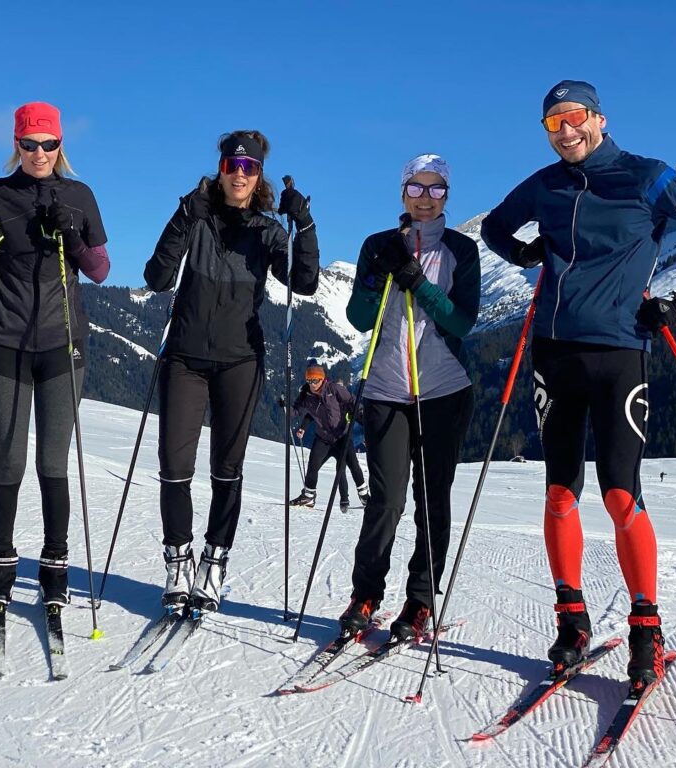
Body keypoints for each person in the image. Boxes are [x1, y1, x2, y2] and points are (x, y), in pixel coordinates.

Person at [482, 80, 676, 684]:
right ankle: (572, 619)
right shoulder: (545, 184)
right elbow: (494, 227)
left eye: (573, 117)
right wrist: (524, 255)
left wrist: (669, 296)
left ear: (598, 117)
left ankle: (647, 626)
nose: (565, 131)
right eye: (552, 124)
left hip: (620, 350)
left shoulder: (646, 175)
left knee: (621, 494)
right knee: (560, 493)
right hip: (554, 352)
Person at [143, 130, 319, 612]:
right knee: (175, 468)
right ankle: (178, 561)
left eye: (249, 167)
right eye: (232, 165)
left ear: (258, 175)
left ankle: (214, 562)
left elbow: (304, 282)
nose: (239, 174)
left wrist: (304, 227)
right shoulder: (194, 217)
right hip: (184, 357)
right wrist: (183, 217)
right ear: (220, 168)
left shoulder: (266, 230)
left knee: (227, 469)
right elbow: (156, 278)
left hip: (241, 361)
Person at [0, 102, 110, 609]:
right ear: (16, 145)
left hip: (64, 345)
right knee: (10, 462)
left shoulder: (79, 194)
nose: (39, 153)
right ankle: (0, 561)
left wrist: (71, 233)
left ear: (60, 145)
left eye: (48, 144)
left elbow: (100, 270)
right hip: (5, 344)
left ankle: (54, 565)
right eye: (29, 144)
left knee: (52, 462)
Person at [341, 154, 480, 641]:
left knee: (431, 500)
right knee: (385, 500)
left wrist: (418, 283)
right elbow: (359, 319)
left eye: (436, 189)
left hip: (443, 390)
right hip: (385, 390)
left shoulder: (462, 249)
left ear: (447, 194)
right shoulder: (376, 245)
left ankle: (420, 600)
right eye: (416, 188)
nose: (425, 198)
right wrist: (378, 278)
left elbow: (463, 322)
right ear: (402, 193)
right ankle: (365, 595)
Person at [288, 362, 369, 513]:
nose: (312, 384)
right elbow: (296, 412)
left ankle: (365, 497)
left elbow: (352, 401)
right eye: (309, 380)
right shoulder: (306, 394)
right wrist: (286, 407)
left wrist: (360, 416)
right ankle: (308, 496)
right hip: (323, 437)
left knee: (353, 465)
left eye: (315, 380)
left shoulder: (333, 389)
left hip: (341, 436)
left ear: (322, 379)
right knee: (313, 466)